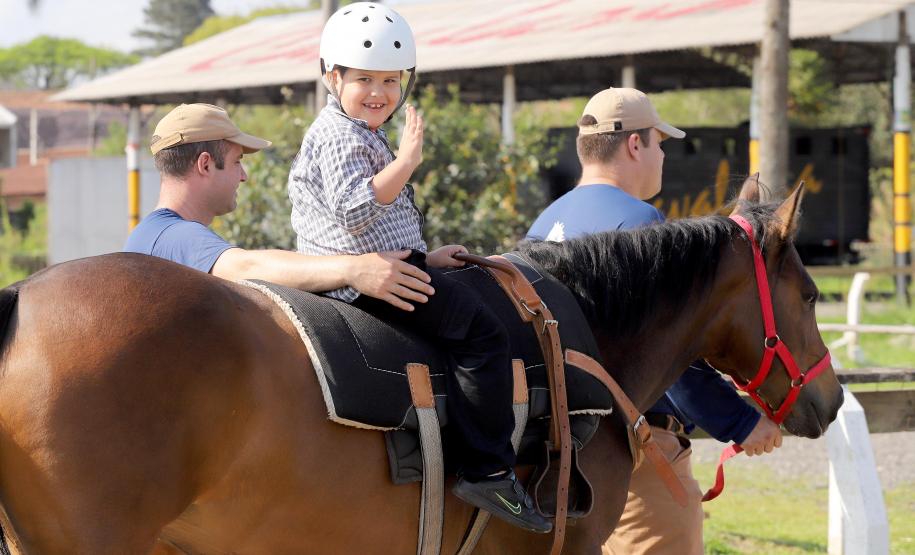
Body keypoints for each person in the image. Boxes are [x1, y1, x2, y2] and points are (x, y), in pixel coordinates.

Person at [286, 2, 551, 533]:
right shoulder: (341, 135)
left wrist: (425, 257)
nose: (379, 92)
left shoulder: (359, 130)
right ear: (331, 77)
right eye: (364, 79)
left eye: (390, 79)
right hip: (359, 279)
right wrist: (407, 161)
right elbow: (356, 211)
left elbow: (377, 221)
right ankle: (489, 469)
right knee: (482, 334)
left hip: (387, 262)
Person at [526, 87, 783, 555]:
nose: (663, 155)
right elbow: (670, 353)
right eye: (660, 142)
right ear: (635, 145)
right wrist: (742, 422)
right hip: (636, 453)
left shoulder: (545, 222)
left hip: (558, 454)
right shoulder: (640, 224)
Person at [124, 102, 435, 313]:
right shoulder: (169, 235)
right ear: (205, 164)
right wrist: (353, 269)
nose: (243, 176)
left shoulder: (154, 234)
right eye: (236, 162)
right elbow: (246, 267)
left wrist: (423, 260)